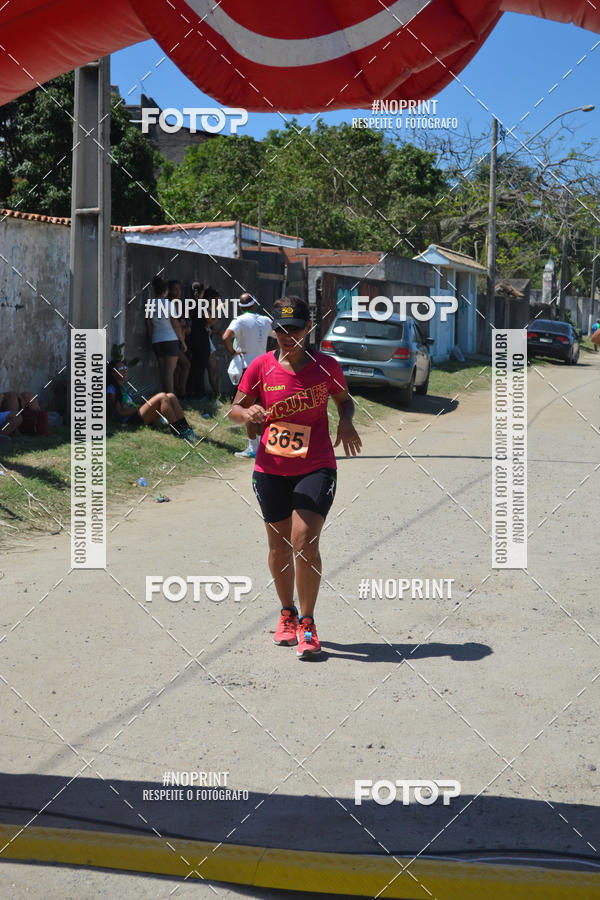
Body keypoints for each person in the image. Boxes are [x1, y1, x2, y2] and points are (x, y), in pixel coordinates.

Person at [228, 296, 362, 659]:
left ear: (308, 329)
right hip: (270, 468)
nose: (288, 337)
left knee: (303, 541)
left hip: (316, 464)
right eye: (281, 330)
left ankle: (307, 622)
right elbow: (234, 410)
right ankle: (286, 613)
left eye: (295, 329)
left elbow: (344, 401)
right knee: (278, 547)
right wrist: (248, 413)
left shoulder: (326, 366)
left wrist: (346, 420)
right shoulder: (260, 367)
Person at [222, 293, 275, 458]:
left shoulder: (239, 320)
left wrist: (232, 352)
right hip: (264, 369)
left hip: (247, 369)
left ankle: (253, 448)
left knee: (246, 409)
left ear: (240, 307)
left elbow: (226, 336)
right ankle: (260, 445)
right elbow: (279, 333)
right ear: (254, 306)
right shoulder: (266, 320)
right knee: (261, 407)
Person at [106, 361, 197, 441]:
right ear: (113, 373)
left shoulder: (122, 387)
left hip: (135, 414)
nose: (125, 370)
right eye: (121, 368)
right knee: (162, 397)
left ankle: (185, 429)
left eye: (125, 368)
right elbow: (120, 413)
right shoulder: (111, 389)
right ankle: (177, 431)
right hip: (129, 419)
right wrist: (138, 408)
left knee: (171, 396)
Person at [145, 275, 186, 394]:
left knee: (163, 371)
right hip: (170, 340)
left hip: (156, 340)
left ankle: (164, 398)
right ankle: (171, 398)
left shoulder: (150, 304)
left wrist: (150, 339)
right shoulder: (168, 304)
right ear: (166, 291)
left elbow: (148, 323)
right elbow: (175, 324)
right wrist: (182, 342)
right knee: (169, 371)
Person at [170, 280, 191, 397]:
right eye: (175, 289)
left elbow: (185, 320)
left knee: (178, 368)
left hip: (181, 340)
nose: (178, 292)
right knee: (185, 365)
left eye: (179, 290)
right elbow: (174, 322)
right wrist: (182, 324)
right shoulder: (169, 304)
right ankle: (181, 391)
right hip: (174, 340)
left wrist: (186, 326)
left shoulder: (180, 304)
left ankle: (179, 391)